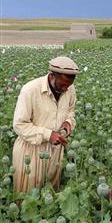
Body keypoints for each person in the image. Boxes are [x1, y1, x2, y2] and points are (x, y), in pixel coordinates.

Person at [12, 56, 80, 193]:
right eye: (62, 84)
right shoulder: (30, 90)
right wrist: (48, 134)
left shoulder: (69, 89)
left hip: (55, 151)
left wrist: (68, 123)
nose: (66, 88)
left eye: (69, 85)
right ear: (52, 76)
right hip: (30, 151)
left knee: (50, 195)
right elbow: (19, 125)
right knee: (28, 196)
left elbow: (71, 111)